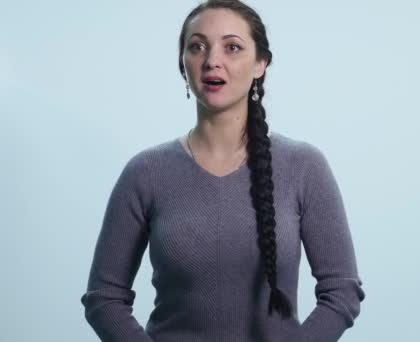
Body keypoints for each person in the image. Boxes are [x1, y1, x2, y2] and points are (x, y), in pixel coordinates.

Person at [79, 1, 365, 341]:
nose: (212, 60)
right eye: (197, 46)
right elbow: (104, 297)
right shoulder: (145, 173)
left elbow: (341, 292)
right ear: (183, 65)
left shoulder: (303, 166)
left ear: (261, 63)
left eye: (232, 47)